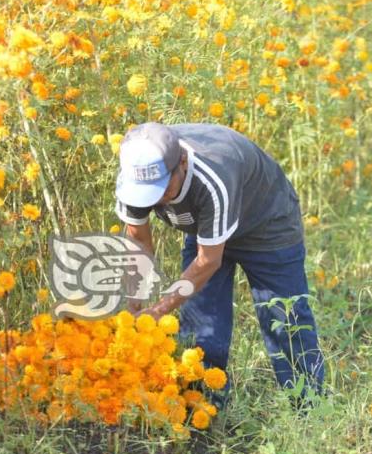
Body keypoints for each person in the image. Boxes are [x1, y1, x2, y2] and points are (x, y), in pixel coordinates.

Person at [114, 122, 325, 406]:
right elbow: (138, 242)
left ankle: (310, 409)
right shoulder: (135, 177)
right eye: (147, 192)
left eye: (162, 189)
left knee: (285, 321)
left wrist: (160, 309)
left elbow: (207, 260)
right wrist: (135, 301)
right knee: (202, 325)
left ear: (183, 163)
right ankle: (203, 412)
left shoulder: (213, 178)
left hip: (267, 226)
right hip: (207, 231)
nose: (156, 200)